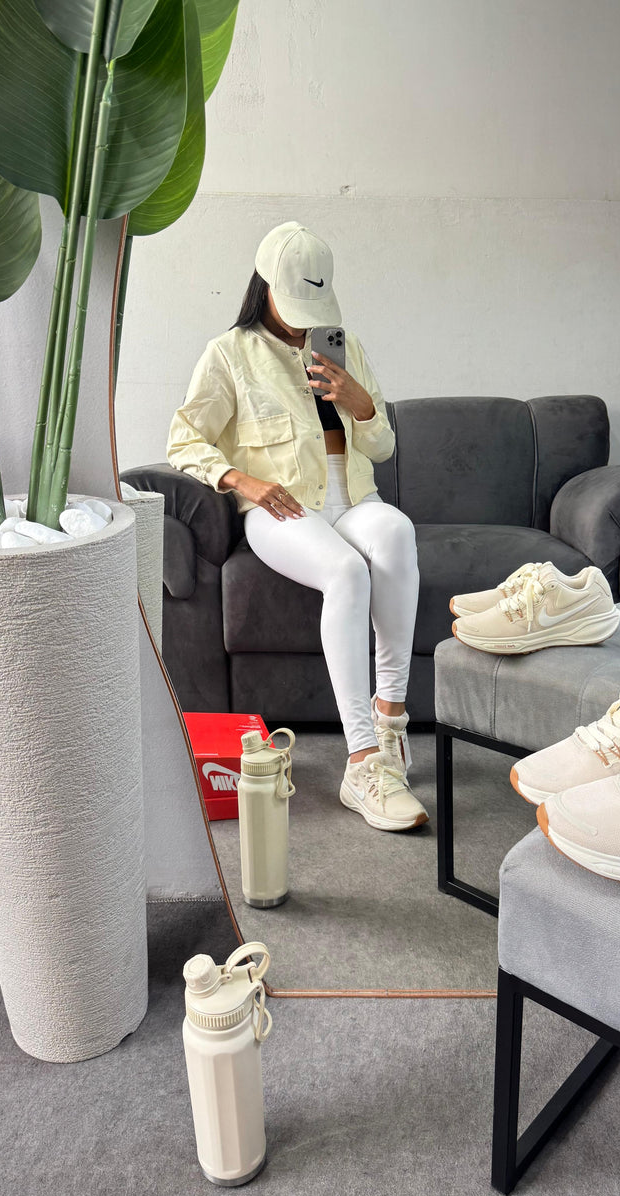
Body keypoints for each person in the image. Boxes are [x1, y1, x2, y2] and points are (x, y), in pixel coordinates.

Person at [168, 222, 426, 832]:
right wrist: (241, 481)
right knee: (346, 571)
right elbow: (184, 440)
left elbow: (382, 447)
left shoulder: (343, 344)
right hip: (281, 510)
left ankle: (391, 721)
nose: (305, 321)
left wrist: (360, 403)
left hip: (353, 497)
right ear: (265, 287)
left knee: (395, 533)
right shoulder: (228, 354)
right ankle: (361, 762)